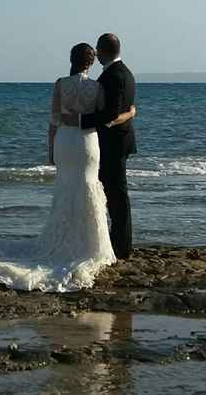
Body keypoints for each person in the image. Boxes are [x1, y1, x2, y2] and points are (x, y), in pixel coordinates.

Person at [0, 43, 135, 292]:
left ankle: (63, 240)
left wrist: (50, 151)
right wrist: (129, 113)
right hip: (88, 142)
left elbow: (54, 121)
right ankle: (90, 245)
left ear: (72, 60)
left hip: (65, 141)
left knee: (66, 185)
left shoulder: (60, 84)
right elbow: (103, 116)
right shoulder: (97, 87)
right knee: (87, 184)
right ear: (91, 62)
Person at [63, 33, 137, 259]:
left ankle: (121, 246)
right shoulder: (127, 73)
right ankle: (116, 241)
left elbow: (109, 116)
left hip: (113, 143)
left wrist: (78, 121)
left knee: (116, 195)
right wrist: (131, 113)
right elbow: (123, 108)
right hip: (120, 141)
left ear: (103, 51)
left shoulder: (113, 76)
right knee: (113, 194)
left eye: (98, 50)